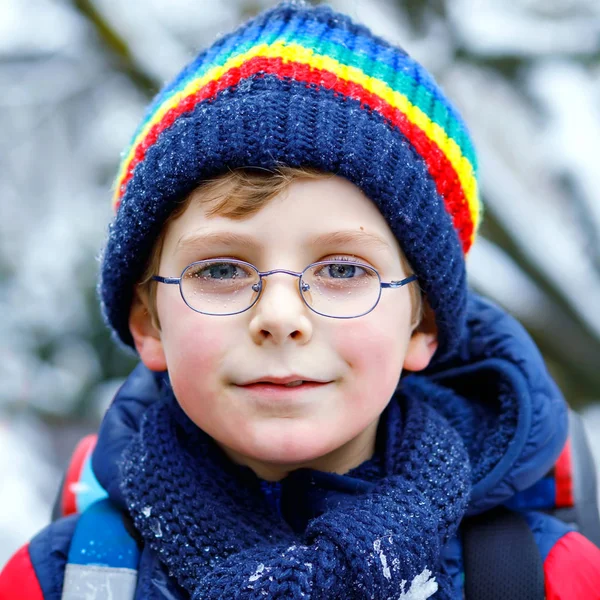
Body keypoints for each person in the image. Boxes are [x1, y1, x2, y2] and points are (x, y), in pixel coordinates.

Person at [2, 2, 599, 598]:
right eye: (221, 269)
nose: (281, 317)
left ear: (425, 325)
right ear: (147, 321)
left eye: (343, 268)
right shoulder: (61, 581)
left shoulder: (547, 579)